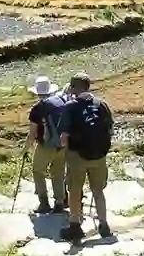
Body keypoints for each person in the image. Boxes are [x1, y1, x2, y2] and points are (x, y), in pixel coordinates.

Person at [60, 72, 115, 241]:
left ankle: (75, 226)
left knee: (75, 190)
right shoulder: (102, 104)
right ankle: (104, 225)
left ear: (73, 87)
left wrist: (67, 152)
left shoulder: (70, 106)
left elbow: (63, 137)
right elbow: (110, 130)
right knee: (98, 191)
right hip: (99, 155)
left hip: (77, 155)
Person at [27, 76, 70, 214]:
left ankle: (44, 203)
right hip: (63, 144)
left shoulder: (37, 108)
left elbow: (32, 133)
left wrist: (25, 149)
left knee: (38, 171)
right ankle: (59, 203)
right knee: (58, 173)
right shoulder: (61, 100)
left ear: (37, 92)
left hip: (46, 145)